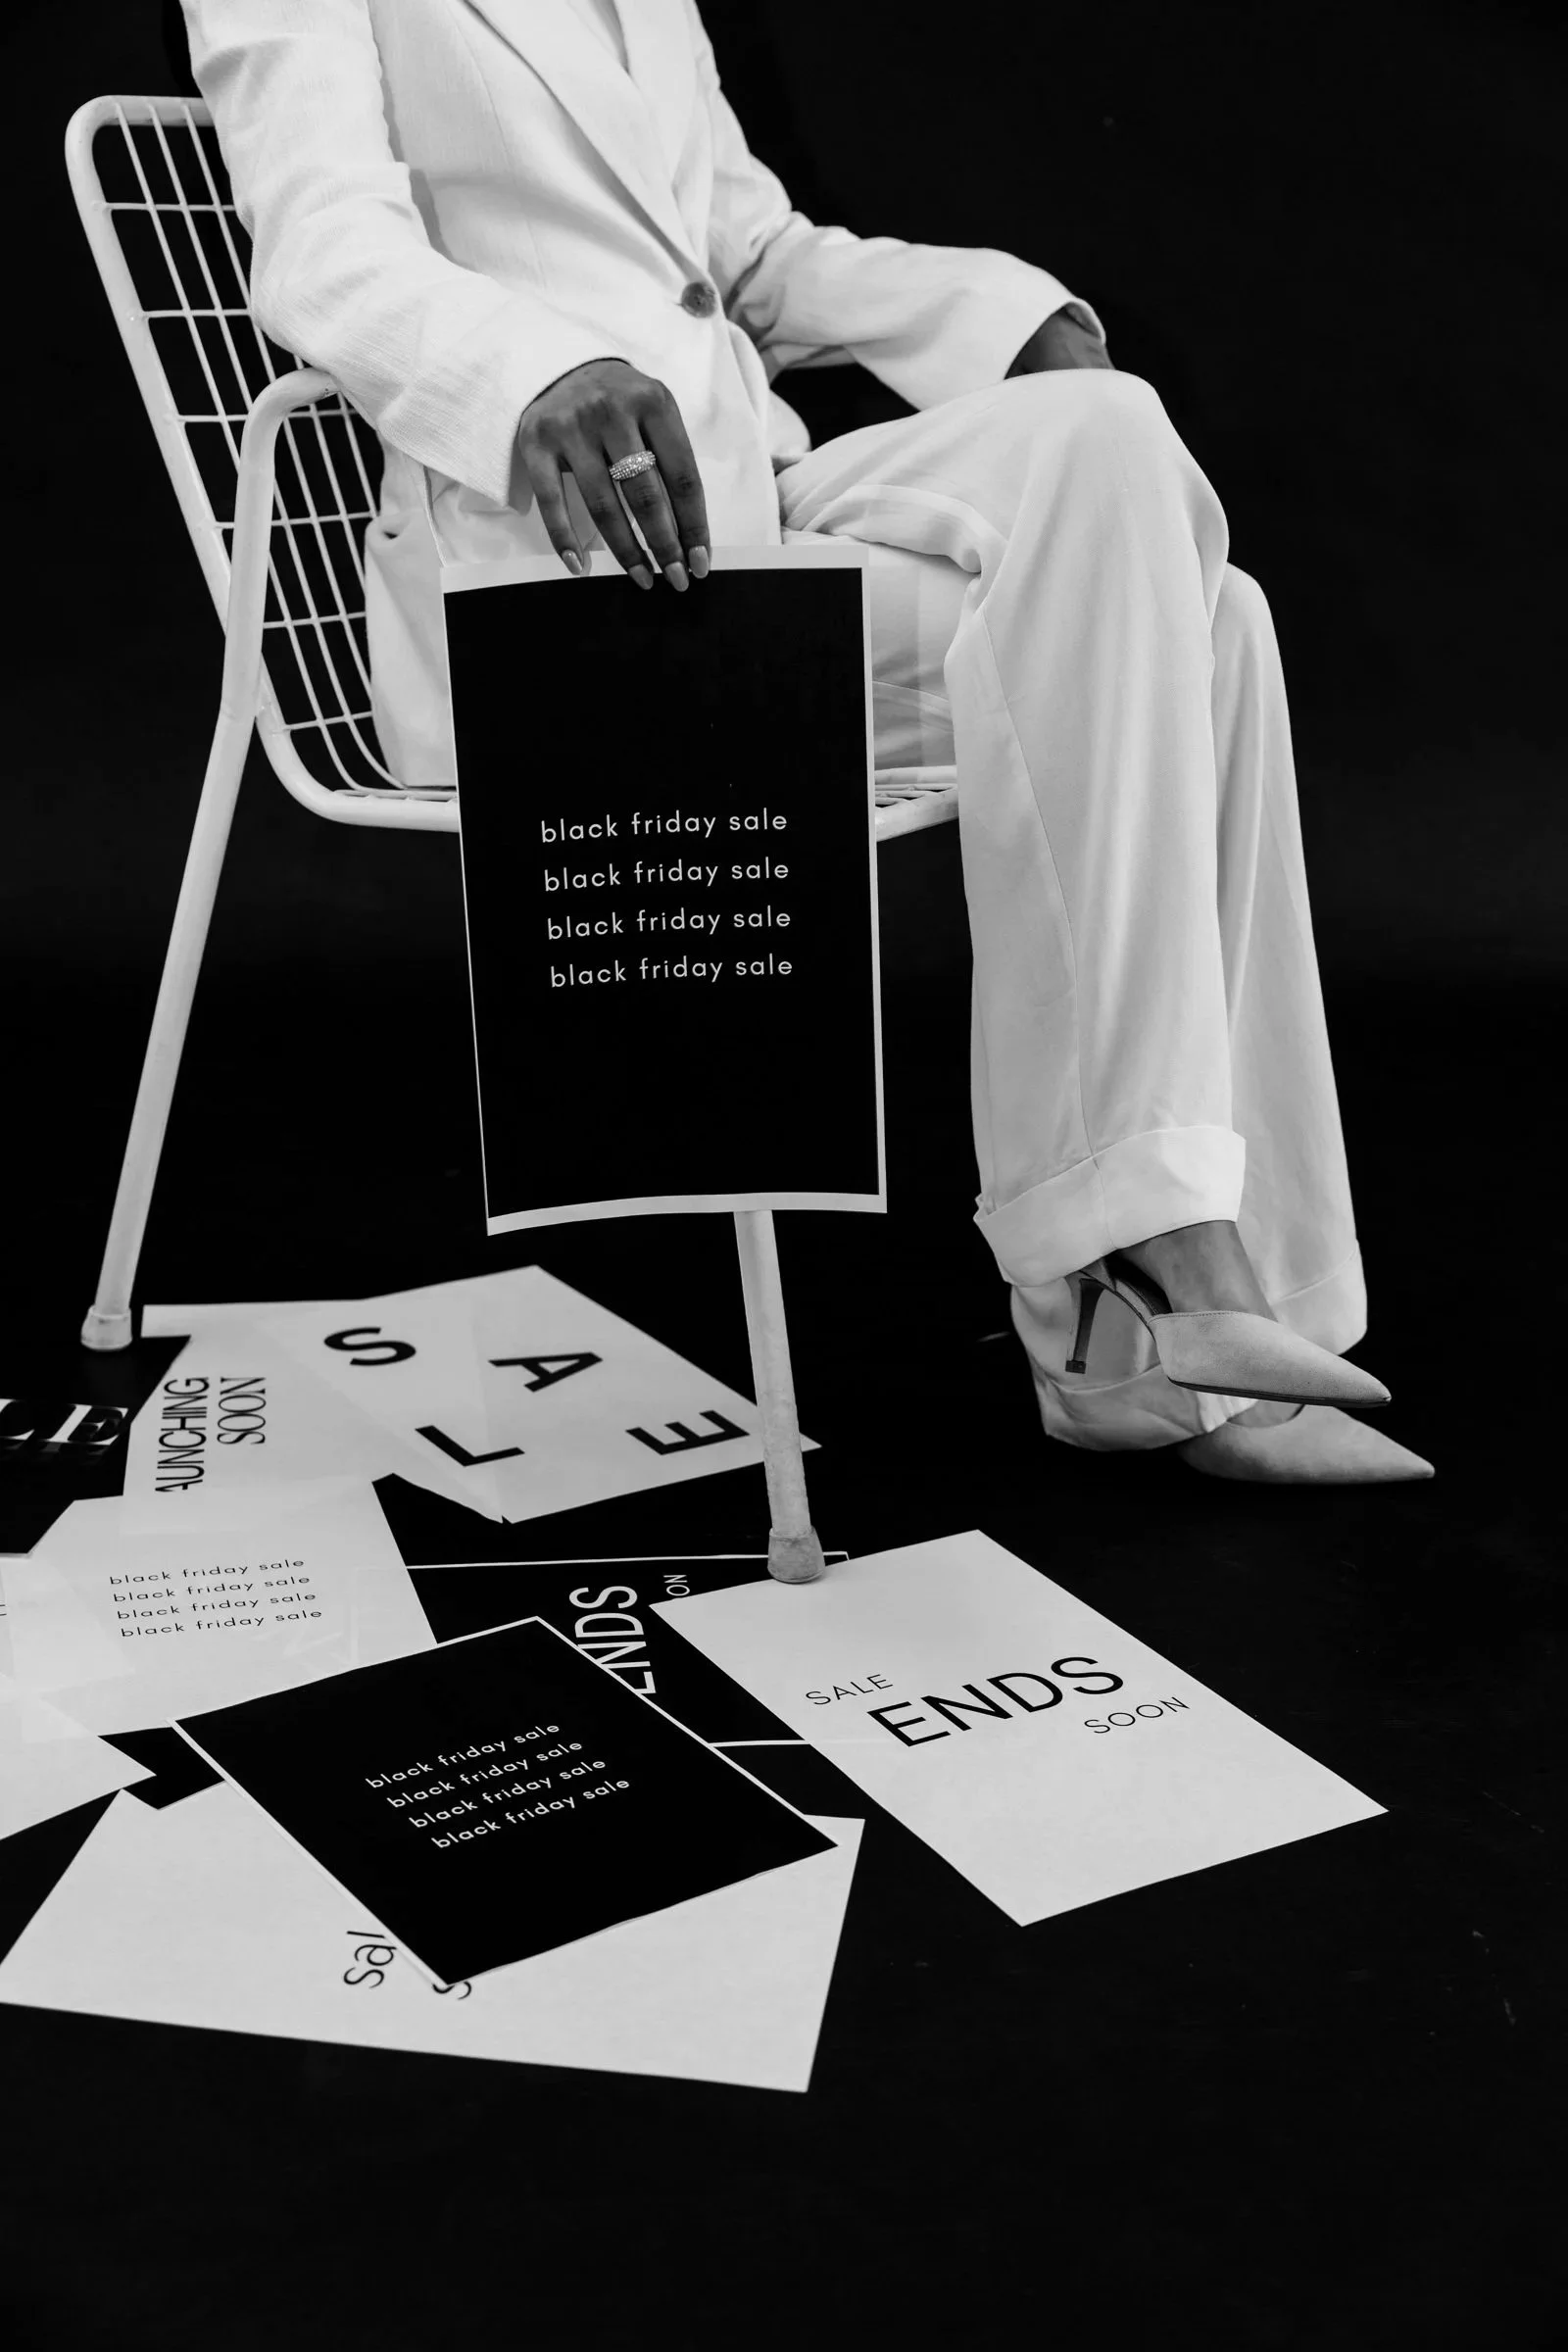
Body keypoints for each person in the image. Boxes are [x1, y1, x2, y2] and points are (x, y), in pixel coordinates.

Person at [182, 0, 1431, 1484]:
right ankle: (1153, 1283)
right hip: (555, 580)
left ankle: (1160, 1288)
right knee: (1199, 614)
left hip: (750, 514)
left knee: (1142, 487)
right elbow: (322, 246)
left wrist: (994, 313)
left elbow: (750, 256)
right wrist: (528, 375)